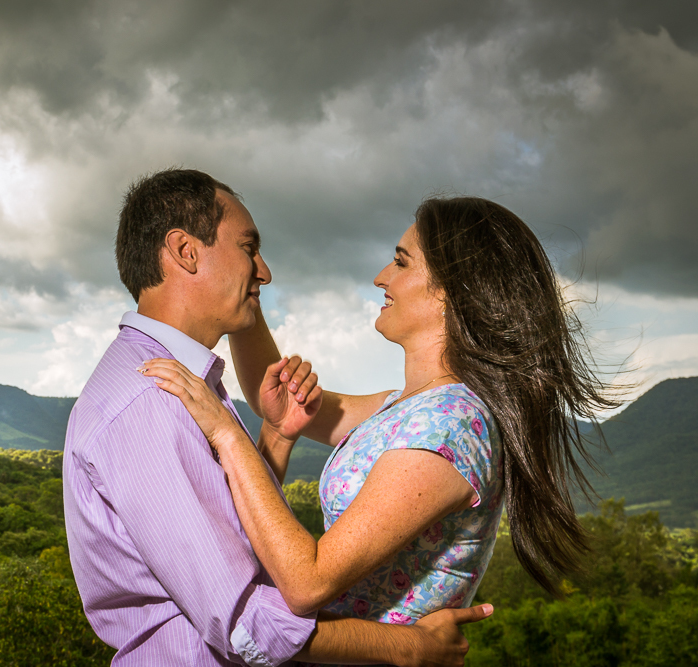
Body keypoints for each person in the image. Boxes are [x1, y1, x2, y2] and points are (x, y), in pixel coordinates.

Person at [63, 169, 492, 666]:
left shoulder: (445, 420)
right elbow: (246, 622)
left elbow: (235, 535)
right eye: (249, 248)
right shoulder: (153, 398)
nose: (265, 272)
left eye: (400, 261)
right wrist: (411, 646)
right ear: (185, 251)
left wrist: (274, 435)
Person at [141, 196, 617, 636]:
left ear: (451, 293)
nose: (380, 277)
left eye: (401, 262)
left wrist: (228, 433)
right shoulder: (408, 409)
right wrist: (243, 289)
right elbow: (280, 393)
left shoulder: (448, 425)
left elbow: (306, 583)